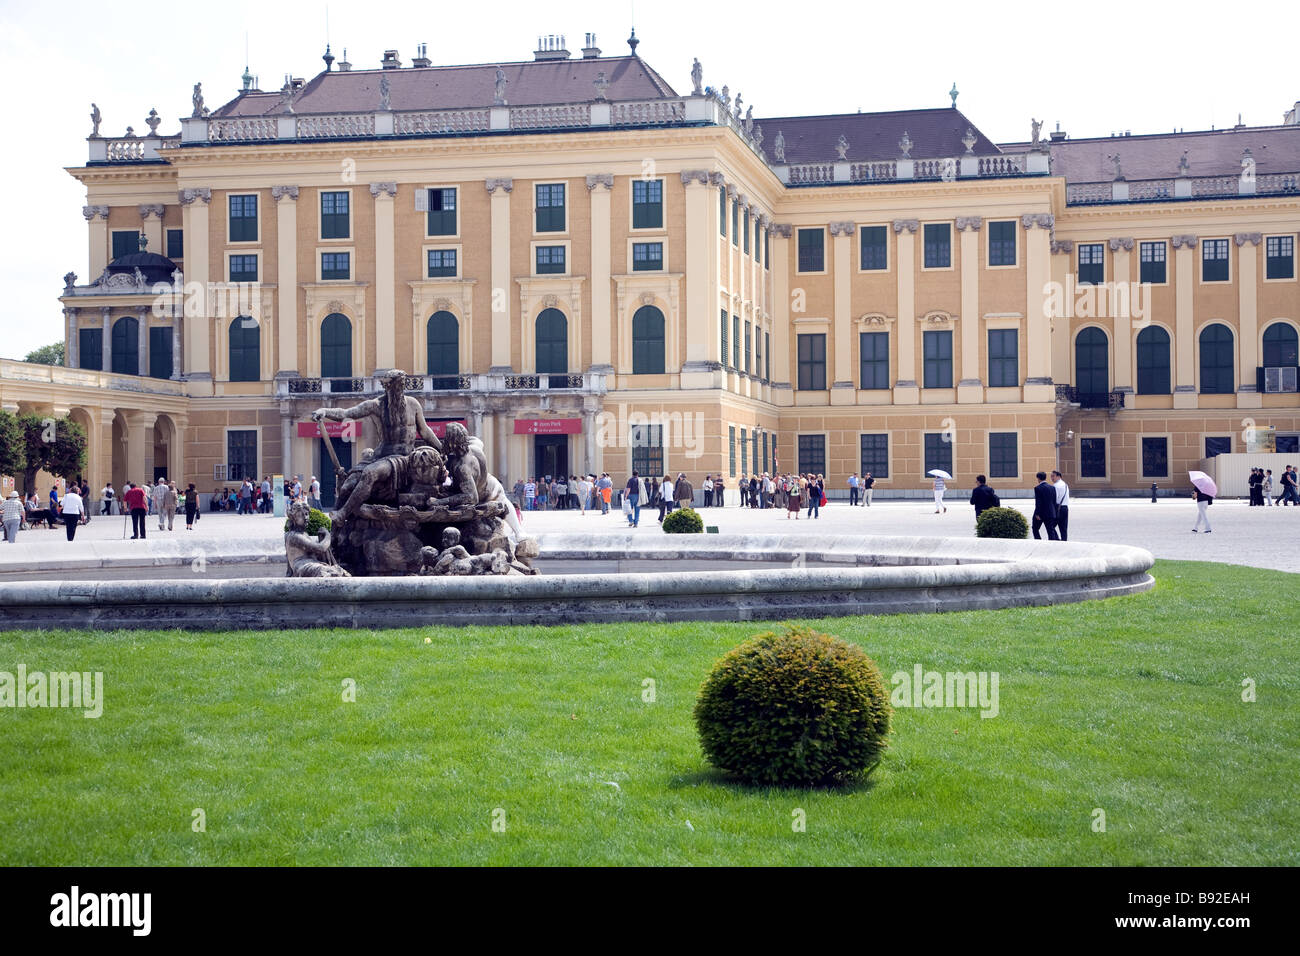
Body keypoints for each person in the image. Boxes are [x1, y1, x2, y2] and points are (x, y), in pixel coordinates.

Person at [1031, 471, 1059, 540]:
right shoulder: (1052, 487)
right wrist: (1054, 512)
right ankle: (1052, 544)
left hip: (1041, 513)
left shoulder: (1038, 488)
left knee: (1035, 528)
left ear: (1038, 478)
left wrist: (1037, 513)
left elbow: (1038, 502)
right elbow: (1054, 501)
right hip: (1050, 513)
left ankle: (1038, 541)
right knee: (1050, 530)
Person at [1051, 470, 1070, 541]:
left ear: (1058, 477)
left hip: (1058, 508)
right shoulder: (1065, 484)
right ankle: (1064, 541)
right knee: (1063, 528)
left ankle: (1057, 539)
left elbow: (1054, 498)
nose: (1052, 478)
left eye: (1053, 476)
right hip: (1065, 507)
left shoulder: (1056, 486)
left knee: (1050, 526)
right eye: (1051, 476)